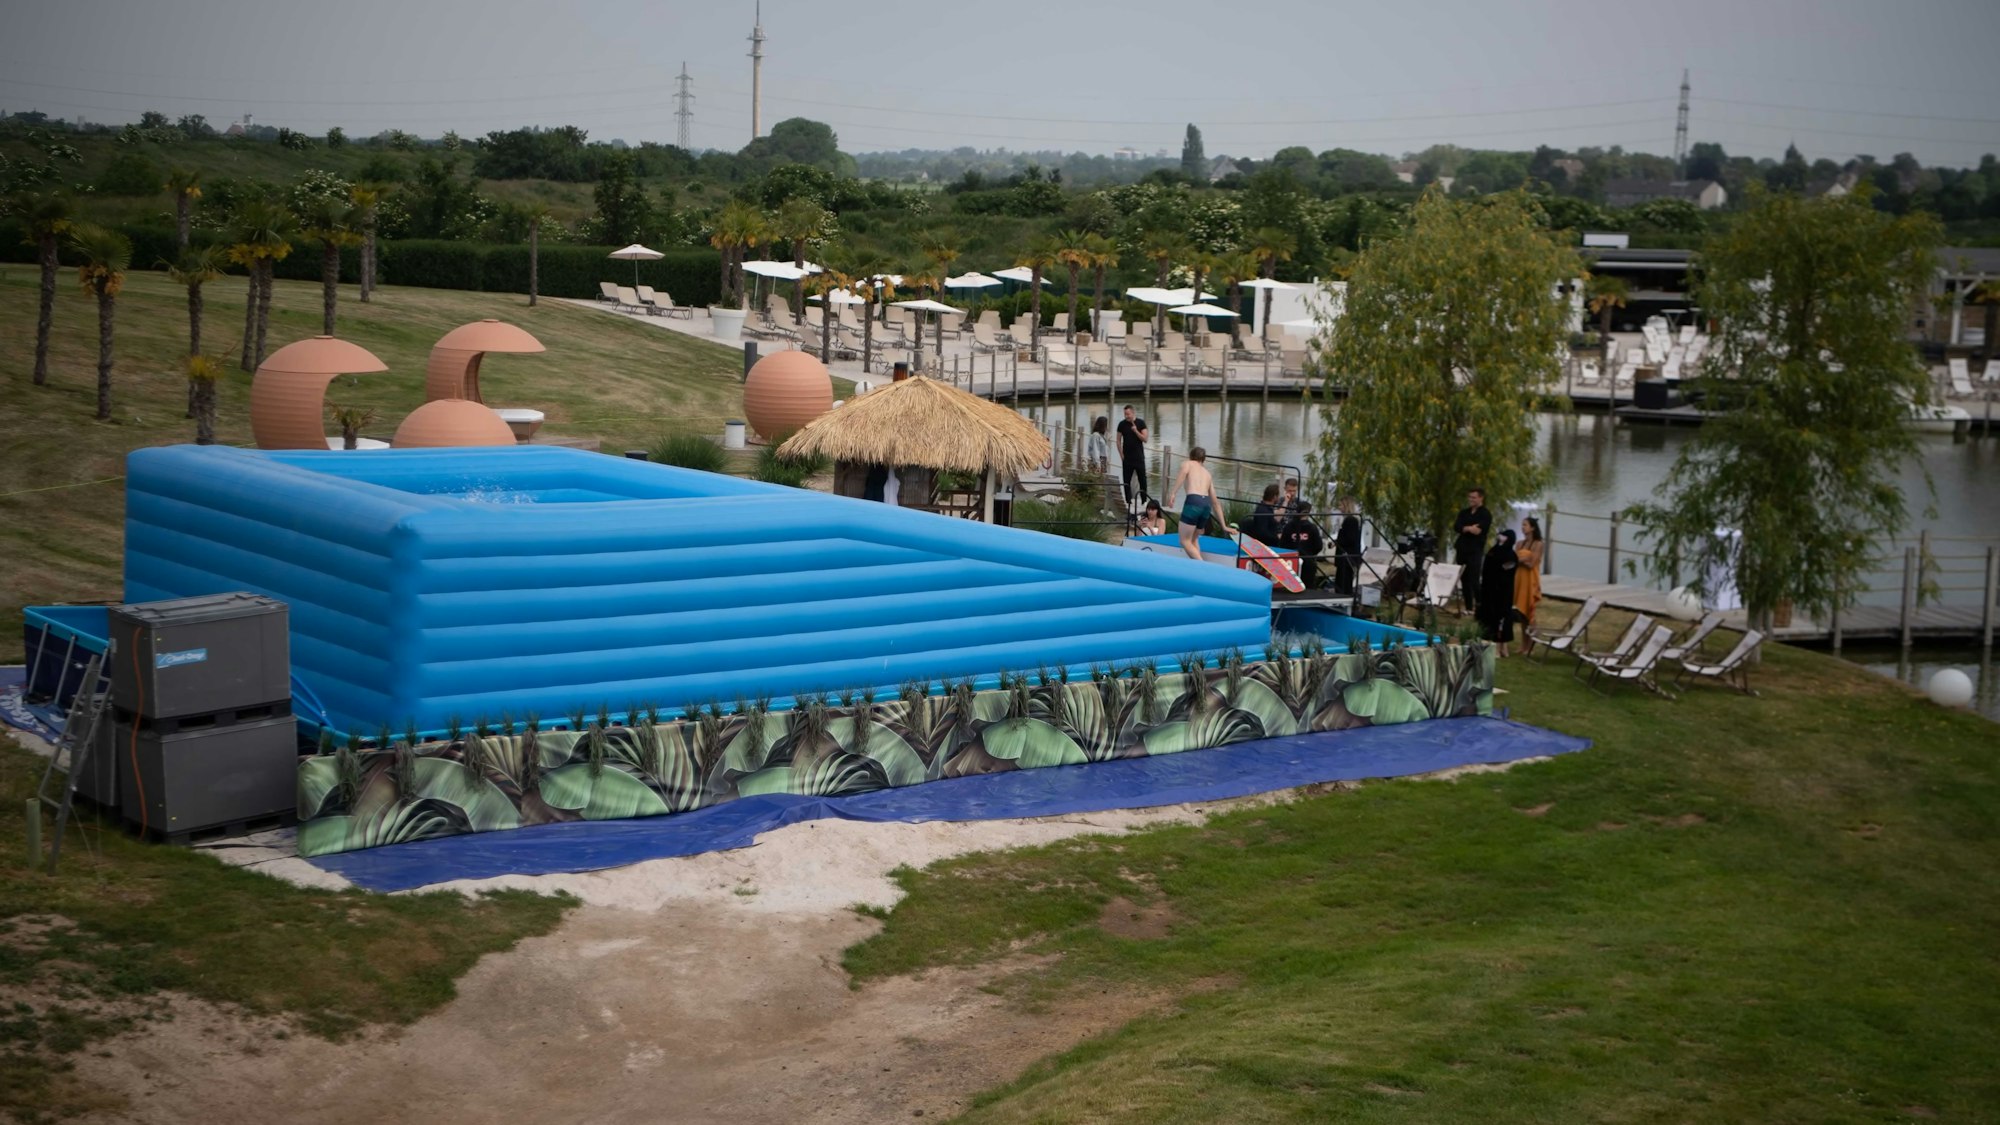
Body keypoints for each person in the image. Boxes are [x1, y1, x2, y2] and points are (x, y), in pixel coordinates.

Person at [1168, 446, 1231, 560]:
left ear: (1191, 456)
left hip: (1194, 501)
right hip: (1206, 505)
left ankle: (1202, 566)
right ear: (1203, 460)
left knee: (1184, 541)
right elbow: (1215, 503)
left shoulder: (1188, 463)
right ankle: (1198, 565)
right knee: (1194, 538)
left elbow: (1183, 473)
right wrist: (1224, 526)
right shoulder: (1207, 474)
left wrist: (1173, 493)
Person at [1476, 529, 1520, 650]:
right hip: (1488, 590)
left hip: (1503, 592)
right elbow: (1487, 567)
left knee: (1501, 617)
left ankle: (1501, 645)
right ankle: (1487, 639)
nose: (1500, 537)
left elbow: (1505, 571)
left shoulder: (1511, 555)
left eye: (1504, 536)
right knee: (1488, 615)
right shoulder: (1493, 551)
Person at [1453, 487, 1492, 616]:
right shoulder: (1464, 512)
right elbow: (1457, 526)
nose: (1471, 500)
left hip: (1475, 549)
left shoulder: (1485, 514)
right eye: (1470, 497)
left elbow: (1479, 530)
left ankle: (1480, 606)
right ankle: (1469, 607)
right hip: (1462, 548)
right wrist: (1468, 528)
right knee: (1464, 579)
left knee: (1474, 579)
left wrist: (1467, 528)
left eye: (1474, 497)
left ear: (1481, 498)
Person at [1513, 516, 1545, 656]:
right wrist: (1523, 559)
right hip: (1519, 579)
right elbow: (1512, 559)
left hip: (1530, 580)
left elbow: (1532, 563)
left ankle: (1530, 645)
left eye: (1525, 525)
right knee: (1521, 614)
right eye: (1522, 525)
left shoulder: (1538, 544)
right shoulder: (1519, 544)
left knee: (1529, 613)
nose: (1522, 527)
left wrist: (1522, 559)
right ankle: (1523, 644)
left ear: (1532, 527)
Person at [1277, 500, 1325, 587]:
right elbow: (1318, 546)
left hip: (1290, 562)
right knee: (1308, 587)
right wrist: (1311, 553)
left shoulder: (1288, 526)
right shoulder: (1312, 528)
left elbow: (1282, 544)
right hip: (1308, 561)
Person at [1115, 405, 1149, 511]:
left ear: (1133, 413)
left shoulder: (1140, 423)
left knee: (1142, 479)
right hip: (1127, 458)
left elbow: (1145, 439)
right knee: (1126, 481)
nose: (1126, 416)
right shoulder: (1122, 424)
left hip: (1139, 457)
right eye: (1125, 414)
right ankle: (1128, 501)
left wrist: (1135, 431)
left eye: (1128, 414)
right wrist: (1121, 455)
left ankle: (1144, 500)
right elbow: (1118, 440)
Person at [1332, 495, 1364, 595]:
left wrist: (1338, 541)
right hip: (1346, 555)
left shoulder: (1350, 520)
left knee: (1344, 580)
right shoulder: (1349, 520)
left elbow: (1350, 538)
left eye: (1341, 505)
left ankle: (1343, 595)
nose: (1339, 508)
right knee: (1342, 579)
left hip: (1347, 555)